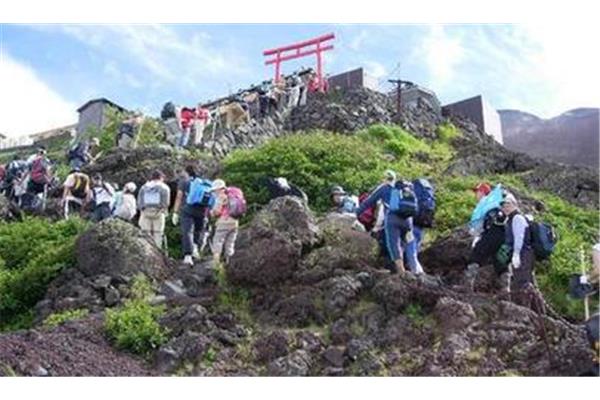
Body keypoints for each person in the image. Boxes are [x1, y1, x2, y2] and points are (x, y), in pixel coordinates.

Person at [355, 170, 416, 275]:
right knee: (408, 243)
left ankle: (401, 272)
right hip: (408, 220)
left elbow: (368, 202)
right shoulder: (406, 188)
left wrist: (356, 213)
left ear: (385, 179)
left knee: (394, 245)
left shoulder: (384, 188)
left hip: (393, 219)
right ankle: (414, 268)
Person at [463, 183, 507, 292]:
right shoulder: (496, 204)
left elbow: (476, 227)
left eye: (477, 192)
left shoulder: (483, 203)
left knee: (476, 254)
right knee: (499, 261)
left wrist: (475, 238)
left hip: (492, 233)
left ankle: (467, 286)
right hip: (504, 234)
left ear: (482, 192)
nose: (475, 195)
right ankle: (506, 289)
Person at [499, 192, 538, 307]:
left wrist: (516, 254)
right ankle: (528, 309)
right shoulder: (509, 220)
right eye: (503, 205)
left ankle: (525, 310)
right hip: (520, 254)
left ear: (514, 205)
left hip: (524, 253)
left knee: (522, 282)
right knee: (520, 281)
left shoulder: (517, 218)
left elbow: (519, 237)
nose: (505, 207)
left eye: (508, 204)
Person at [172, 165, 213, 266]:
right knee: (198, 231)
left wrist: (175, 212)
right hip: (202, 210)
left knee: (187, 231)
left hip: (187, 209)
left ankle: (188, 256)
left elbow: (179, 197)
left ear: (187, 172)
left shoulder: (184, 182)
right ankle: (195, 249)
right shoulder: (204, 182)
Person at [209, 179, 240, 265]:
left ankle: (216, 265)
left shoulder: (221, 196)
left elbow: (217, 211)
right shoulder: (233, 195)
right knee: (230, 244)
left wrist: (212, 213)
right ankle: (229, 266)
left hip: (224, 222)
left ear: (219, 188)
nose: (214, 192)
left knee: (217, 242)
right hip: (235, 223)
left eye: (214, 190)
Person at [138, 170, 171, 248]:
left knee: (145, 233)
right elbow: (166, 203)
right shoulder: (164, 187)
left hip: (145, 212)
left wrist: (142, 209)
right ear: (160, 177)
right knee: (158, 233)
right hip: (159, 213)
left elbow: (139, 201)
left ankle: (146, 251)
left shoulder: (144, 187)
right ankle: (157, 252)